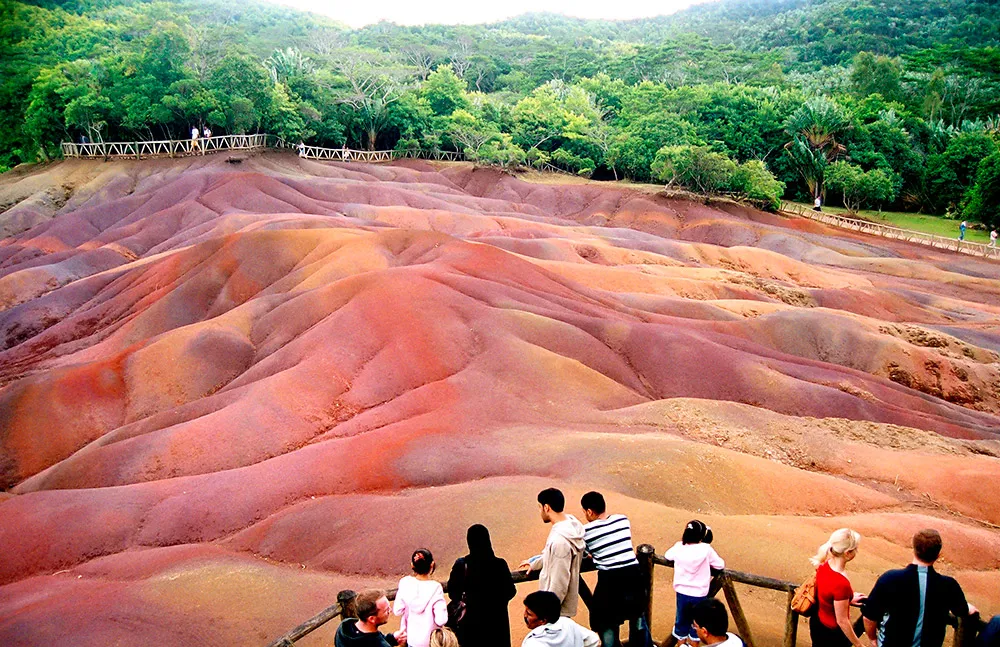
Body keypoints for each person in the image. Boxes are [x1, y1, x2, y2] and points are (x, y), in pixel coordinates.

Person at [862, 529, 978, 647]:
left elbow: (869, 616)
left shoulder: (890, 578)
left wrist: (872, 639)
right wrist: (968, 608)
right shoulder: (949, 585)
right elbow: (962, 611)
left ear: (914, 549)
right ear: (938, 555)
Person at [580, 491, 645, 647]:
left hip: (611, 581)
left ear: (589, 511)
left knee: (605, 621)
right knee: (638, 619)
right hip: (635, 576)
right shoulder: (623, 520)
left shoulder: (586, 532)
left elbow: (584, 554)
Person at [520, 488, 587, 618]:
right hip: (560, 608)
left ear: (546, 507)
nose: (540, 512)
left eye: (539, 507)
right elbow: (552, 556)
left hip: (556, 611)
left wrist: (547, 612)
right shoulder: (571, 525)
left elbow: (559, 582)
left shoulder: (560, 541)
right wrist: (534, 563)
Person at [447, 524, 516, 647]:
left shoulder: (462, 565)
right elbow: (511, 591)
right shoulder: (500, 564)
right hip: (497, 625)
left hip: (470, 628)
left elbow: (453, 592)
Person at [664, 520, 725, 646]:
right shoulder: (706, 549)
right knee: (696, 624)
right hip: (699, 594)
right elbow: (720, 565)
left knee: (682, 622)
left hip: (682, 593)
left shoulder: (679, 546)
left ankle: (681, 644)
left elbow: (667, 555)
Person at [809, 529, 867, 647]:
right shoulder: (841, 583)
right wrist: (859, 644)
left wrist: (848, 598)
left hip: (817, 624)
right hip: (831, 635)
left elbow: (827, 595)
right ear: (847, 553)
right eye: (855, 549)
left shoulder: (825, 564)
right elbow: (842, 621)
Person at [395, 549, 447, 647]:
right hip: (431, 641)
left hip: (411, 639)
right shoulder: (436, 588)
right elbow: (441, 619)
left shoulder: (405, 583)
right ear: (432, 564)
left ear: (412, 565)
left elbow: (398, 610)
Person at [522, 590, 600, 647]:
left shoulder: (533, 642)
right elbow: (593, 640)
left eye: (529, 614)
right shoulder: (567, 623)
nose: (524, 615)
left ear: (543, 620)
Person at [335, 589, 407, 647]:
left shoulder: (344, 627)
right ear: (372, 619)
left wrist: (392, 638)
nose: (390, 611)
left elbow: (369, 641)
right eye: (386, 610)